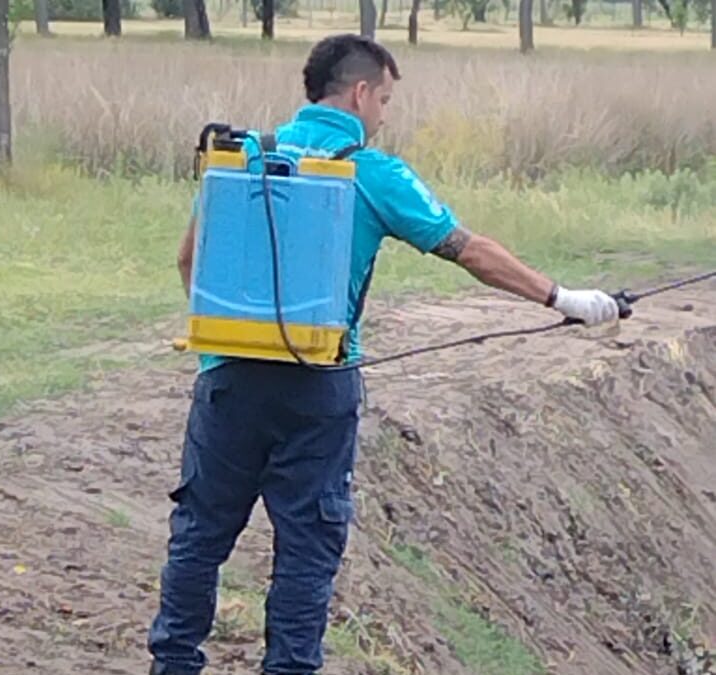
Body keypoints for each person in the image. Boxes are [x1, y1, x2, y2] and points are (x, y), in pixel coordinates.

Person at [147, 34, 619, 675]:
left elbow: (187, 258)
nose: (385, 115)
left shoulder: (244, 156)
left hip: (228, 380)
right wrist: (564, 298)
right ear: (361, 92)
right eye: (386, 100)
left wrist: (222, 347)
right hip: (319, 386)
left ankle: (172, 663)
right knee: (307, 548)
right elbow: (467, 249)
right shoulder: (372, 172)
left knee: (200, 537)